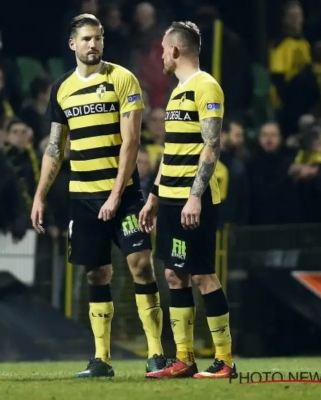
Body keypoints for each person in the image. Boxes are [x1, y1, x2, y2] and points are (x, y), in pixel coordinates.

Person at [30, 14, 166, 378]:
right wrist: (40, 195)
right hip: (83, 198)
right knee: (96, 273)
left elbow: (131, 142)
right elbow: (55, 147)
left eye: (98, 38)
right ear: (72, 44)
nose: (93, 44)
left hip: (124, 195)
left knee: (141, 264)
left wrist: (116, 193)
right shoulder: (61, 88)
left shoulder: (122, 79)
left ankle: (156, 354)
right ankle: (101, 359)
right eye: (87, 39)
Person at [139, 21, 237, 379]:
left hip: (193, 200)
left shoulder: (206, 86)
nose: (161, 56)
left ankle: (225, 360)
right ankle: (184, 358)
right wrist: (153, 196)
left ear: (176, 50)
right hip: (169, 199)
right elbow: (172, 152)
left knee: (203, 275)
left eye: (164, 49)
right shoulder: (176, 91)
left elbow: (212, 144)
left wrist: (195, 197)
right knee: (174, 274)